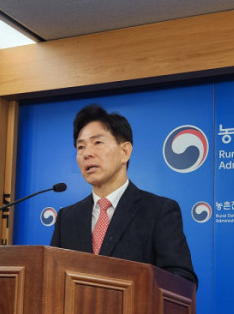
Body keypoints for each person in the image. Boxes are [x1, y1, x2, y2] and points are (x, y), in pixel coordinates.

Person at [50, 104, 198, 287]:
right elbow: (52, 279)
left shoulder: (158, 211)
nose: (87, 153)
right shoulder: (67, 219)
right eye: (81, 147)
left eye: (97, 143)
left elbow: (182, 281)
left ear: (125, 152)